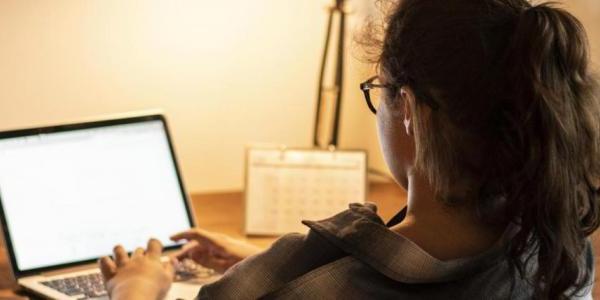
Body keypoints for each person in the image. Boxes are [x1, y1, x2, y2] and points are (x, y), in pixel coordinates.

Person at [98, 0, 600, 299]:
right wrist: (259, 261)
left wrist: (136, 287)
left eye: (376, 90)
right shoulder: (559, 255)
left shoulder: (293, 285)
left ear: (408, 107)